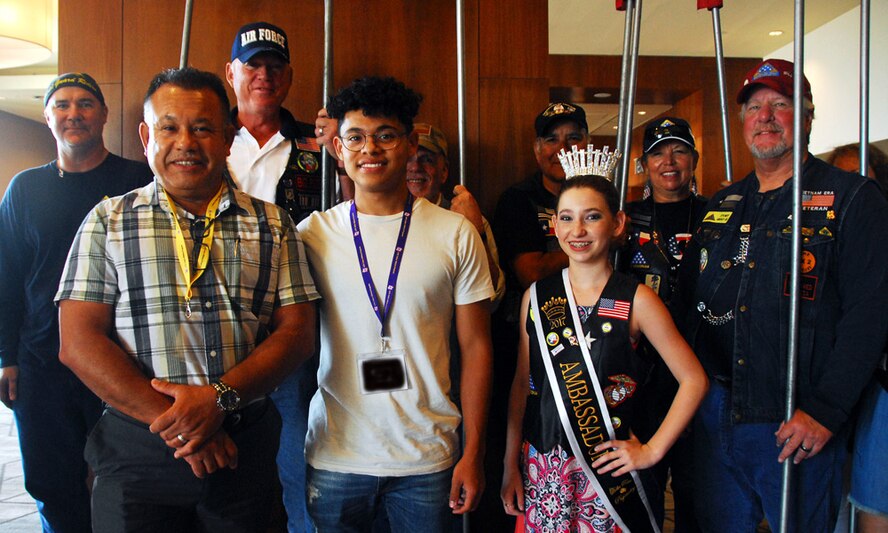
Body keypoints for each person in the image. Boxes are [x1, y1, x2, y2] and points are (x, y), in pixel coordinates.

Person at [55, 67, 320, 532]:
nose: (186, 142)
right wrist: (185, 424)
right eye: (169, 127)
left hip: (243, 451)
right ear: (145, 135)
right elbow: (78, 343)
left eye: (202, 128)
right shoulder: (107, 221)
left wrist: (218, 402)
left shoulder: (273, 225)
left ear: (228, 136)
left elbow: (297, 333)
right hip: (137, 454)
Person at [678, 59, 888, 532]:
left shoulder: (854, 199)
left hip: (794, 421)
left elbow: (870, 315)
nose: (765, 117)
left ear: (809, 117)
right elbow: (689, 301)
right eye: (754, 107)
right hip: (713, 415)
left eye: (780, 104)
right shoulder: (723, 203)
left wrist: (825, 411)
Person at [296, 76, 494, 532]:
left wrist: (473, 451)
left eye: (385, 135)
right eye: (356, 138)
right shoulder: (312, 235)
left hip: (427, 459)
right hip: (336, 457)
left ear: (409, 145)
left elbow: (478, 348)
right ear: (339, 151)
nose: (371, 149)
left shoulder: (455, 233)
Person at [500, 146, 707, 533]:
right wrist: (510, 462)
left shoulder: (638, 299)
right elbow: (522, 385)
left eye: (591, 217)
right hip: (545, 468)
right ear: (556, 227)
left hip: (611, 480)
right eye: (567, 218)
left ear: (617, 223)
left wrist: (651, 450)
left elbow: (694, 380)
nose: (577, 231)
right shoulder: (537, 296)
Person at [0, 72, 152, 533]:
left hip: (124, 358)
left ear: (103, 114)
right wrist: (7, 356)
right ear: (48, 117)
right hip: (43, 360)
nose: (73, 113)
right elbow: (7, 277)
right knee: (51, 483)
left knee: (131, 482)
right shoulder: (25, 189)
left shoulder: (137, 180)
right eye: (61, 105)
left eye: (85, 103)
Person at [225, 21, 323, 532]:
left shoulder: (318, 145)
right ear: (231, 73)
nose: (264, 75)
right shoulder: (205, 138)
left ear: (287, 77)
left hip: (290, 330)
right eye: (253, 64)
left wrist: (341, 153)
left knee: (295, 469)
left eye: (274, 66)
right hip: (214, 330)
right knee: (218, 472)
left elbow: (352, 218)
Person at [488, 102, 589, 531]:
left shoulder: (606, 192)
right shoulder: (518, 199)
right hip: (530, 342)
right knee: (538, 444)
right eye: (552, 138)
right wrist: (589, 247)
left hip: (602, 341)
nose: (562, 147)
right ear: (536, 149)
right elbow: (527, 270)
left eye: (573, 137)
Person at [622, 116, 708, 532]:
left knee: (698, 495)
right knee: (643, 494)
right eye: (658, 152)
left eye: (678, 150)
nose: (669, 161)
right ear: (644, 163)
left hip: (703, 370)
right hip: (642, 377)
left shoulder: (718, 215)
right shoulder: (625, 219)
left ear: (693, 158)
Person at [826, 144, 888, 533]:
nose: (856, 190)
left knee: (874, 497)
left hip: (879, 383)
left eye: (863, 179)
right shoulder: (821, 234)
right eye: (846, 180)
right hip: (831, 377)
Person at [406, 122, 504, 306]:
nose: (415, 167)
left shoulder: (469, 220)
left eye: (426, 159)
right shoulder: (382, 220)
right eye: (408, 159)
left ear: (443, 171)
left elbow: (493, 299)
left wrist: (475, 230)